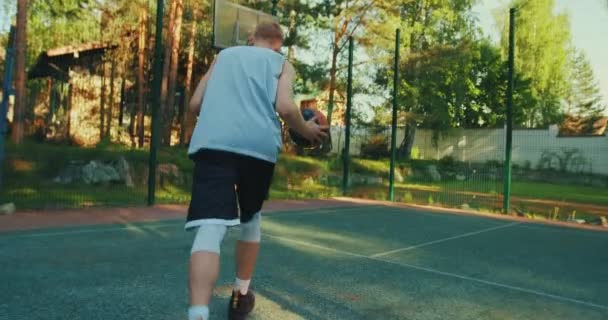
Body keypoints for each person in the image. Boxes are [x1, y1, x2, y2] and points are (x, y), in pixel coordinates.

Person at [185, 22, 328, 320]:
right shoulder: (281, 63)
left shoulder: (223, 56)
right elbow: (287, 108)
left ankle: (198, 313)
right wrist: (308, 131)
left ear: (252, 39)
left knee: (210, 227)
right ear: (278, 44)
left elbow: (195, 103)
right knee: (251, 218)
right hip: (258, 148)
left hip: (214, 143)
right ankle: (240, 294)